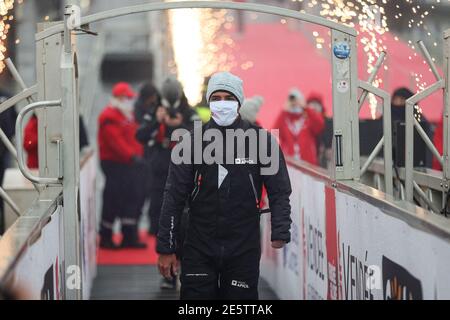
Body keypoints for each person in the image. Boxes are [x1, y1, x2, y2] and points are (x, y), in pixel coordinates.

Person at [157, 71, 292, 300]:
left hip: (243, 245)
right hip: (199, 244)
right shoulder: (189, 142)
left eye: (228, 98)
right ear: (209, 101)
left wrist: (280, 229)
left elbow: (279, 190)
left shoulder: (262, 140)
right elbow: (174, 196)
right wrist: (166, 247)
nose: (222, 104)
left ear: (239, 101)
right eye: (216, 98)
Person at [136, 77, 198, 289]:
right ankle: (168, 272)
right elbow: (140, 135)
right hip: (160, 173)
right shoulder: (154, 110)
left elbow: (204, 134)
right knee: (159, 220)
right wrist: (157, 121)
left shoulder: (189, 112)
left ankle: (184, 267)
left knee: (184, 222)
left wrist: (180, 125)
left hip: (186, 175)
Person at [98, 82, 146, 249]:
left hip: (129, 164)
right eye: (127, 98)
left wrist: (138, 155)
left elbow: (133, 138)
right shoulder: (109, 116)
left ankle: (129, 235)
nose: (130, 101)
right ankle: (106, 236)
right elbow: (115, 142)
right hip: (115, 164)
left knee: (131, 199)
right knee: (112, 199)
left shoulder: (127, 116)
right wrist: (132, 156)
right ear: (118, 97)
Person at [273, 88, 325, 165]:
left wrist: (305, 107)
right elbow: (274, 134)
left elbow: (319, 125)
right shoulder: (284, 119)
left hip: (308, 165)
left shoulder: (307, 118)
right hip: (289, 165)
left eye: (297, 100)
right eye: (292, 100)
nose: (294, 103)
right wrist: (283, 111)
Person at [0, 89, 17, 234]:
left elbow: (15, 118)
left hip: (4, 150)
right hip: (5, 149)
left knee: (5, 184)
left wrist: (10, 133)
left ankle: (3, 225)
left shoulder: (7, 96)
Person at [306, 92, 327, 168]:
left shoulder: (325, 121)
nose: (314, 106)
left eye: (317, 103)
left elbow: (318, 124)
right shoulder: (304, 122)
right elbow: (275, 130)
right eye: (311, 103)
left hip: (321, 164)